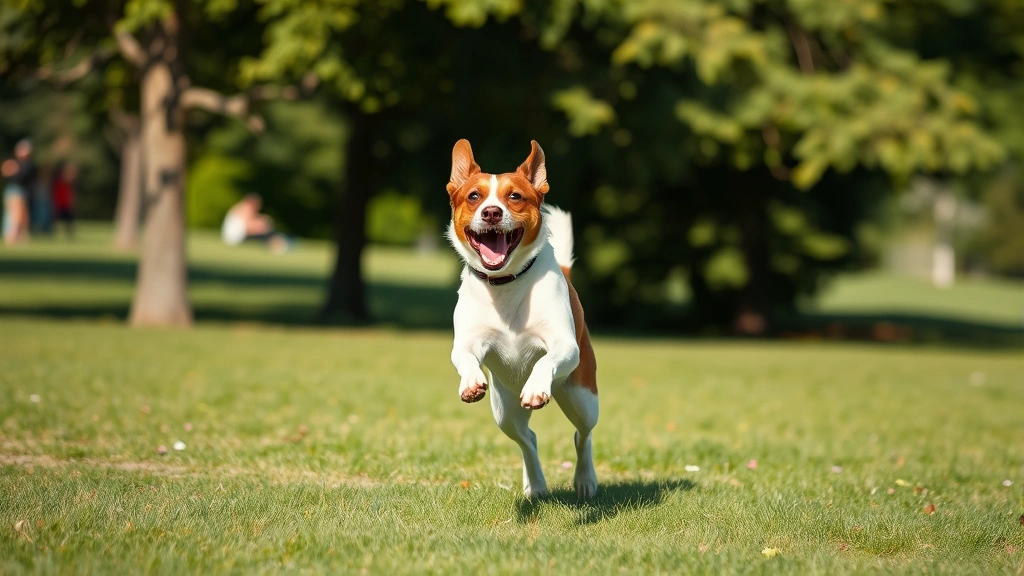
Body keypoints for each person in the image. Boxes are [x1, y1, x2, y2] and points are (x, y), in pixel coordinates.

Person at [221, 194, 292, 253]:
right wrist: (262, 225)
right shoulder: (245, 209)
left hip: (234, 238)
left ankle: (279, 244)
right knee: (265, 233)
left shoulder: (240, 207)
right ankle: (279, 245)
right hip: (235, 238)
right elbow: (248, 227)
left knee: (265, 231)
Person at [2, 139, 36, 246]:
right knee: (15, 214)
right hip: (15, 191)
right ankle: (11, 236)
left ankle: (19, 236)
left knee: (22, 215)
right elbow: (10, 175)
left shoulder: (27, 164)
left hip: (22, 191)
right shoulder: (15, 163)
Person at [51, 162, 78, 238]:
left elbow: (71, 195)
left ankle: (69, 234)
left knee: (69, 220)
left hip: (66, 205)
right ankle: (51, 232)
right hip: (59, 204)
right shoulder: (59, 183)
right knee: (56, 220)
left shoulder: (70, 184)